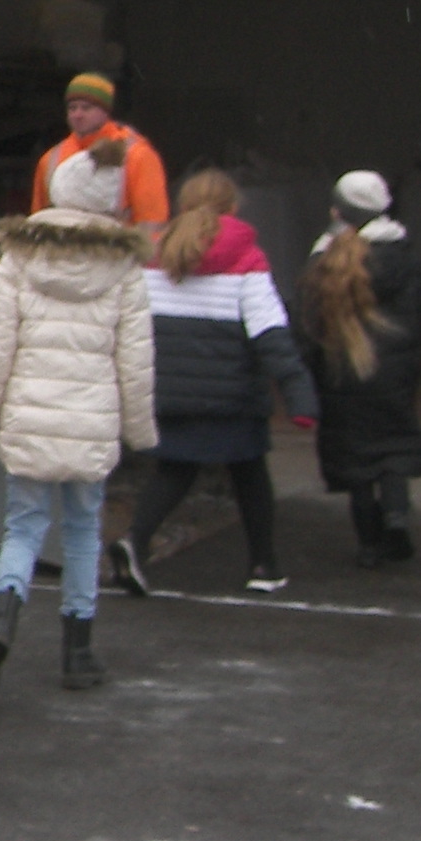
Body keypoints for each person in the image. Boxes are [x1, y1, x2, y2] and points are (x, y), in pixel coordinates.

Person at [0, 139, 155, 693]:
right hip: (91, 419)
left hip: (30, 414)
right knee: (82, 531)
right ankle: (78, 652)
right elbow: (136, 359)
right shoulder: (123, 268)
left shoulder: (20, 258)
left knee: (21, 528)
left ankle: (2, 620)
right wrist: (139, 429)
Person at [110, 170, 319, 597]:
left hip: (169, 391)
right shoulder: (248, 259)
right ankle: (263, 564)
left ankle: (134, 541)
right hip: (233, 395)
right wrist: (300, 396)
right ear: (233, 207)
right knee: (250, 475)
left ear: (181, 204)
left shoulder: (153, 255)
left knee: (175, 469)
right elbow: (272, 336)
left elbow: (126, 328)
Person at [299, 170, 421, 567]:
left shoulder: (325, 259)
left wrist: (311, 368)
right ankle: (396, 517)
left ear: (337, 210)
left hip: (341, 372)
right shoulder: (405, 259)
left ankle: (369, 543)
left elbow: (308, 322)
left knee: (355, 458)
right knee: (392, 446)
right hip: (394, 370)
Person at [29, 72, 171, 226]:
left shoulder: (138, 155)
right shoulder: (50, 159)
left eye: (86, 108)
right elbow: (40, 218)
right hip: (65, 248)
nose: (78, 114)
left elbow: (152, 220)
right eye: (72, 108)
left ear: (105, 111)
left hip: (114, 247)